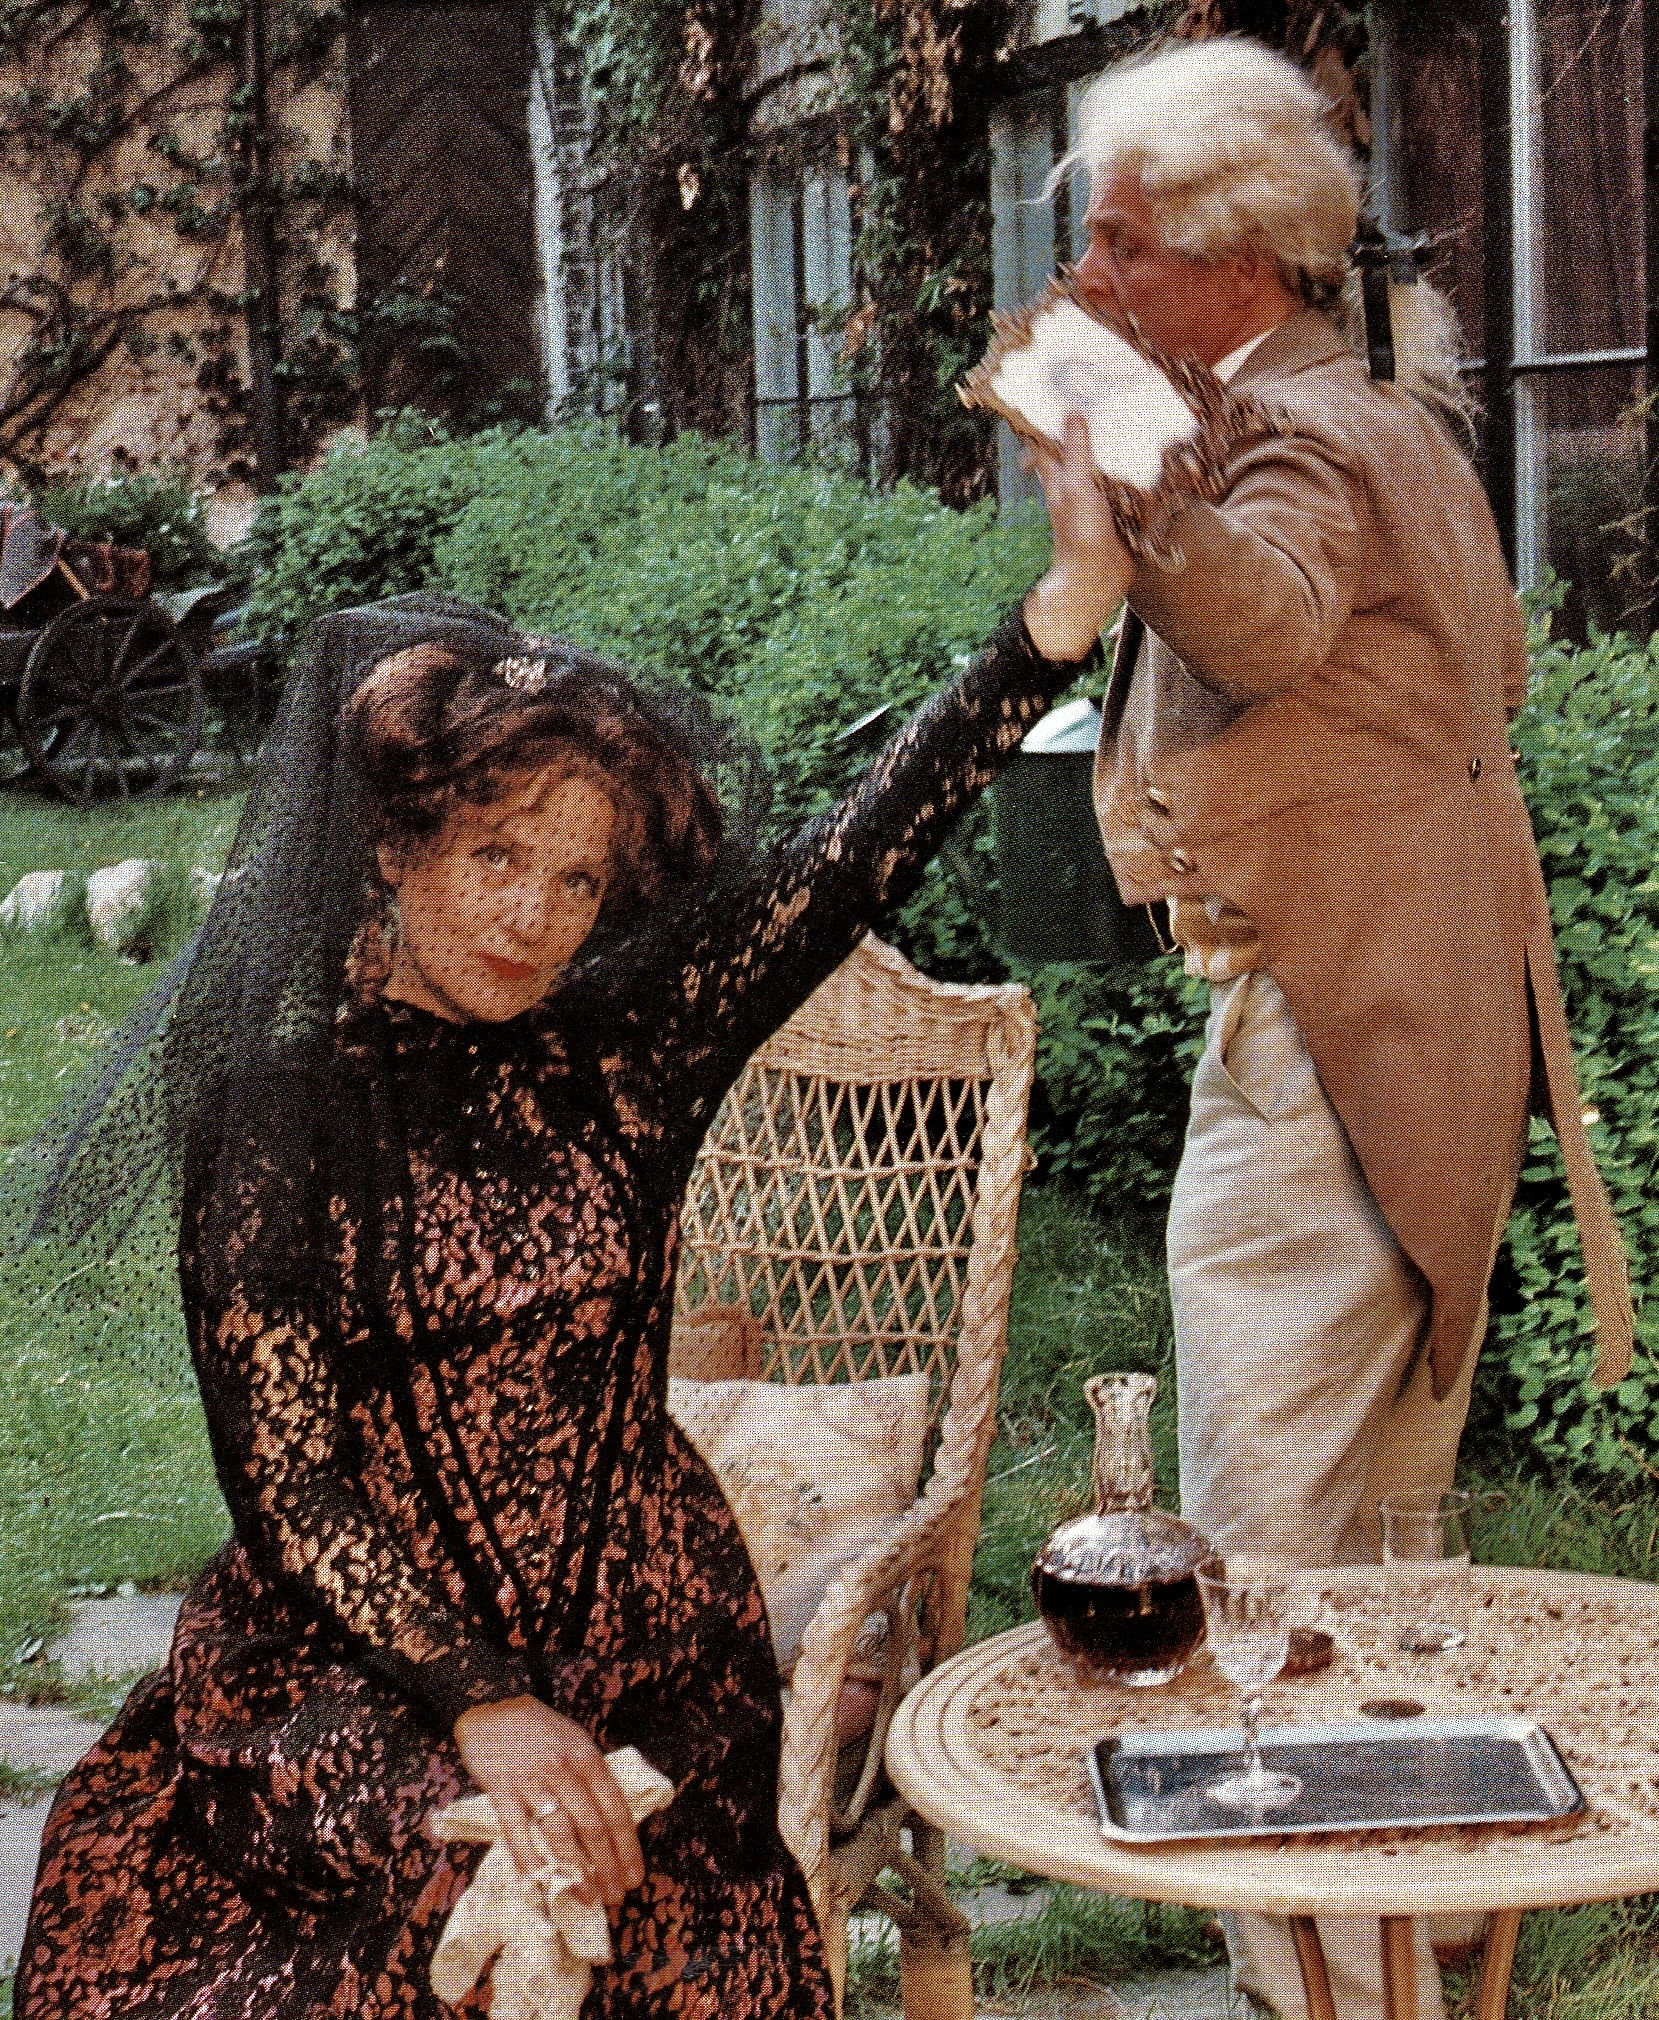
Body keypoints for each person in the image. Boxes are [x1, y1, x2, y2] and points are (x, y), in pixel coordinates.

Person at [9, 453, 1126, 2015]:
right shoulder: (276, 1121)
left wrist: (1061, 615)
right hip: (361, 1648)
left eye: (579, 877)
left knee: (630, 1918)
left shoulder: (631, 1061)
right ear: (392, 848)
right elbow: (290, 1482)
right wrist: (481, 1703)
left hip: (643, 1638)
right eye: (496, 856)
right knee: (428, 1902)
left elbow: (852, 855)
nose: (534, 917)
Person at [1064, 34, 1634, 2020]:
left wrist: (1126, 481)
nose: (1085, 278)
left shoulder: (1296, 435)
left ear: (1237, 256)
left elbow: (1270, 616)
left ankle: (1312, 1976)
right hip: (1421, 1014)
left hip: (1329, 1037)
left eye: (1121, 244)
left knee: (1252, 1550)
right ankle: (1408, 1953)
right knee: (1391, 1543)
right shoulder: (1368, 406)